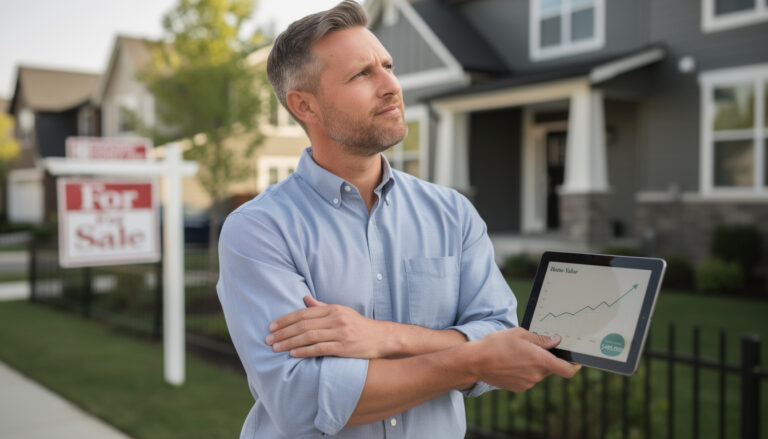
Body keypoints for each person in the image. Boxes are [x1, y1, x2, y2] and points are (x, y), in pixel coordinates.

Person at [216, 1, 580, 438]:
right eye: (361, 74)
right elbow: (304, 400)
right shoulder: (259, 230)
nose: (391, 86)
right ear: (305, 106)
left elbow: (499, 331)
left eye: (387, 66)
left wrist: (387, 336)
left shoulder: (452, 213)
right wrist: (472, 357)